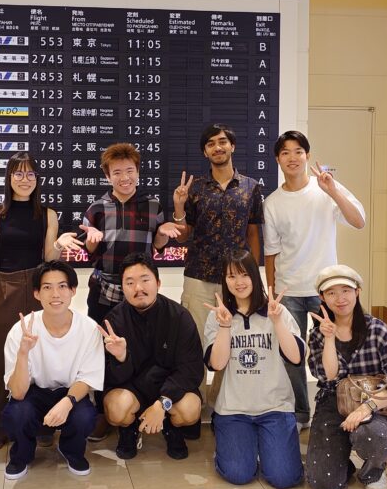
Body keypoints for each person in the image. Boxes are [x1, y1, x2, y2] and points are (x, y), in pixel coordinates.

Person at [0, 152, 83, 450]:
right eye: (18, 173)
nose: (25, 179)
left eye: (31, 174)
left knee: (41, 356)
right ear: (9, 178)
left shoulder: (48, 214)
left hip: (39, 290)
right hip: (5, 288)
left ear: (37, 179)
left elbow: (48, 257)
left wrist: (58, 245)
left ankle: (42, 424)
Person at [262, 130, 366, 428]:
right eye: (285, 152)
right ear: (277, 159)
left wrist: (333, 191)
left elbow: (359, 221)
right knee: (291, 353)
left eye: (298, 151)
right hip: (289, 290)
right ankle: (300, 412)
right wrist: (272, 292)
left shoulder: (326, 188)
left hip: (326, 291)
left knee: (334, 349)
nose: (292, 157)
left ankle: (337, 405)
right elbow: (271, 253)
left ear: (307, 155)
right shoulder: (273, 203)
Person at [81, 142, 182, 440]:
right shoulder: (96, 208)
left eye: (129, 171)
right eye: (117, 172)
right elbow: (88, 251)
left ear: (138, 172)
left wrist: (162, 235)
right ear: (107, 176)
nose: (124, 177)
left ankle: (142, 403)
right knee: (102, 351)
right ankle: (103, 411)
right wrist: (92, 240)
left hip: (140, 293)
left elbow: (158, 246)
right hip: (104, 291)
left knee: (143, 348)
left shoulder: (152, 206)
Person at [174, 124, 264, 402]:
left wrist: (254, 276)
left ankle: (222, 404)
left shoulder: (251, 187)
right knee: (195, 342)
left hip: (236, 281)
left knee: (233, 342)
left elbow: (253, 233)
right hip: (199, 276)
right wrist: (179, 205)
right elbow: (183, 236)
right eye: (211, 143)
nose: (218, 147)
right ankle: (195, 402)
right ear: (205, 151)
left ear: (232, 146)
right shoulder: (195, 188)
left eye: (222, 141)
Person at [304, 265, 387, 489]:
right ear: (322, 297)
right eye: (331, 293)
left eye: (346, 290)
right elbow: (328, 376)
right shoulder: (319, 334)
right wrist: (329, 339)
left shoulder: (378, 330)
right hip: (332, 402)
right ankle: (342, 458)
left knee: (374, 434)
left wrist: (365, 409)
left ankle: (374, 470)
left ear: (357, 292)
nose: (340, 298)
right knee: (325, 485)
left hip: (373, 402)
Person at [205, 250, 305, 488]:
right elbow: (216, 364)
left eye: (244, 275)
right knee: (239, 474)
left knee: (284, 478)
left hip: (275, 408)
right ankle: (237, 446)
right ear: (224, 280)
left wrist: (277, 321)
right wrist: (225, 326)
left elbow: (296, 358)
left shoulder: (276, 311)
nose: (238, 282)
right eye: (231, 276)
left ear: (254, 275)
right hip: (233, 410)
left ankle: (264, 445)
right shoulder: (218, 316)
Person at [2, 261, 104, 479]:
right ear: (37, 293)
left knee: (85, 416)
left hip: (71, 391)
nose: (55, 294)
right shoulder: (21, 330)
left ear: (73, 290)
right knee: (17, 414)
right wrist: (23, 353)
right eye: (47, 287)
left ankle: (71, 450)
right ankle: (21, 455)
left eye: (62, 286)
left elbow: (87, 379)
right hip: (33, 392)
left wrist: (67, 403)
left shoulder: (88, 328)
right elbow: (17, 392)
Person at [100, 253, 204, 460]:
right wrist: (121, 358)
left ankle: (172, 428)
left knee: (190, 409)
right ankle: (129, 429)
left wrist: (162, 403)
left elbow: (191, 369)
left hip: (170, 390)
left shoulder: (179, 316)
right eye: (130, 283)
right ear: (122, 287)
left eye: (145, 280)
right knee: (116, 409)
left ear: (158, 283)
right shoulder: (114, 321)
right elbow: (108, 378)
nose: (138, 288)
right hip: (133, 389)